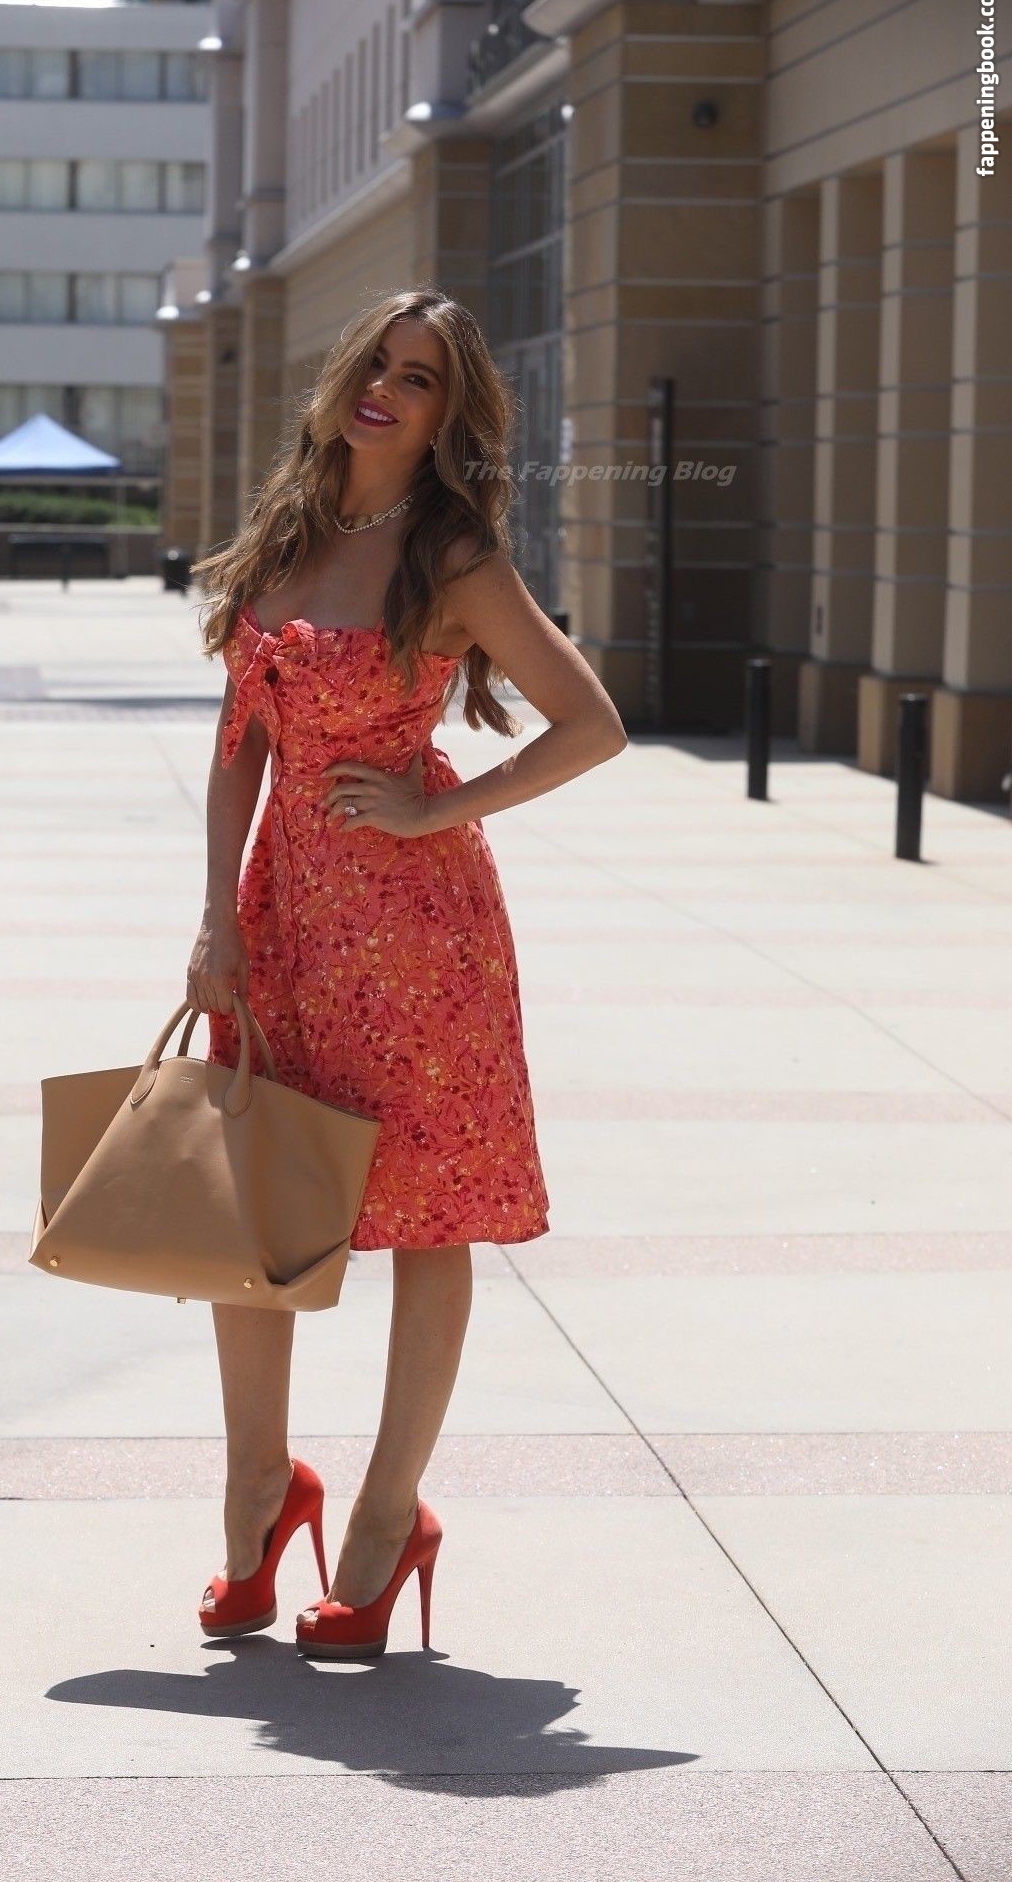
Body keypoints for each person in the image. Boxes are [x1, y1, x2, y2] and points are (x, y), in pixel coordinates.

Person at [186, 285, 627, 1659]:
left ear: (448, 414)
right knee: (258, 1205)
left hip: (420, 937)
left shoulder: (452, 554)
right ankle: (259, 1494)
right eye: (374, 364)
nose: (384, 388)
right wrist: (217, 918)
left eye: (419, 376)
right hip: (282, 920)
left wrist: (440, 808)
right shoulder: (289, 524)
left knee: (430, 1220)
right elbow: (241, 742)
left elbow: (592, 723)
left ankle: (386, 1518)